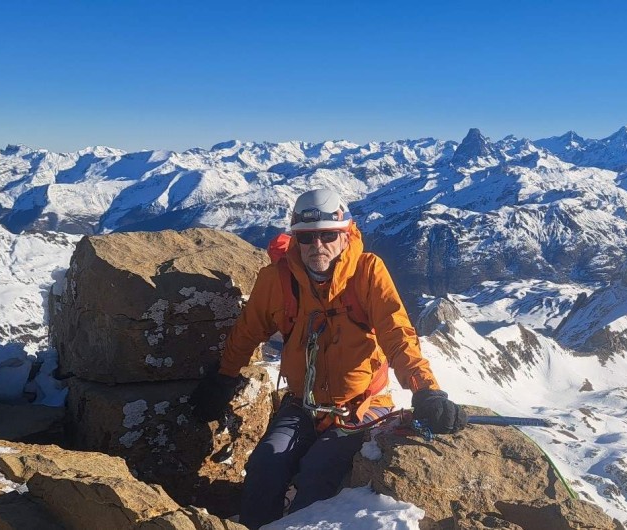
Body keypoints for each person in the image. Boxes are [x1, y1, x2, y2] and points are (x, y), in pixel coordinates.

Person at [189, 188, 466, 528]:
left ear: (345, 234)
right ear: (296, 239)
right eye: (307, 238)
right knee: (264, 465)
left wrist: (426, 391)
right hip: (303, 403)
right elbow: (247, 332)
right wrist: (224, 377)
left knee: (318, 472)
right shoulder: (277, 280)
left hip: (363, 407)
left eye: (327, 235)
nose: (317, 246)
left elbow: (397, 335)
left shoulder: (367, 272)